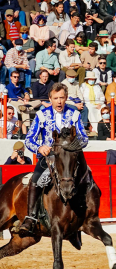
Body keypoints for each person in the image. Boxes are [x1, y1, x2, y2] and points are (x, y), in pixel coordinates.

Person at [20, 82, 88, 235]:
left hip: (68, 159)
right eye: (55, 98)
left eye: (62, 98)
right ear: (50, 99)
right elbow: (29, 139)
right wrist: (39, 148)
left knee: (86, 179)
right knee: (36, 179)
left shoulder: (75, 114)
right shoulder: (41, 115)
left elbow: (84, 138)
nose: (59, 101)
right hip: (49, 158)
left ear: (66, 98)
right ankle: (30, 217)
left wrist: (72, 147)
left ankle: (83, 218)